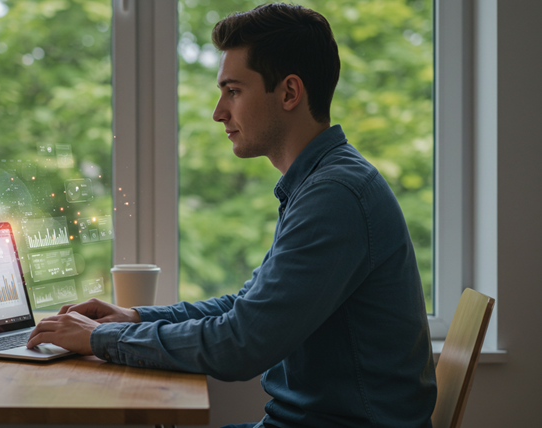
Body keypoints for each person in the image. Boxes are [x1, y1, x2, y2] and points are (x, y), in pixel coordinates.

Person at [27, 3, 436, 427]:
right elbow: (247, 308)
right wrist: (134, 317)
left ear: (290, 93)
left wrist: (100, 338)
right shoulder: (321, 182)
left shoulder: (334, 195)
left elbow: (240, 344)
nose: (219, 111)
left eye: (234, 91)